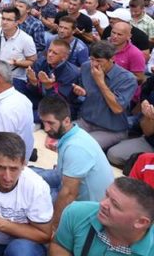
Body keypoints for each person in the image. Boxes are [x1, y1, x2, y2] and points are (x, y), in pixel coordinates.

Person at [34, 96, 115, 232]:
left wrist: (54, 226)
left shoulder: (75, 148)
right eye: (43, 122)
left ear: (66, 121)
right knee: (29, 174)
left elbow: (69, 193)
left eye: (50, 123)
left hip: (88, 207)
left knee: (33, 199)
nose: (46, 128)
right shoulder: (75, 133)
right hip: (68, 181)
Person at [51, 177, 154, 256]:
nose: (103, 204)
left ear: (141, 222)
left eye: (115, 204)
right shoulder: (77, 212)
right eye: (107, 195)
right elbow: (60, 246)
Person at [73, 40, 138, 151]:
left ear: (112, 59)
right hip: (86, 121)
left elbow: (117, 108)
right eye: (92, 59)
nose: (94, 64)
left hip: (111, 129)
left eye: (99, 61)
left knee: (82, 147)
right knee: (62, 136)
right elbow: (84, 94)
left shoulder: (128, 79)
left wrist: (100, 82)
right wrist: (81, 93)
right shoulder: (86, 67)